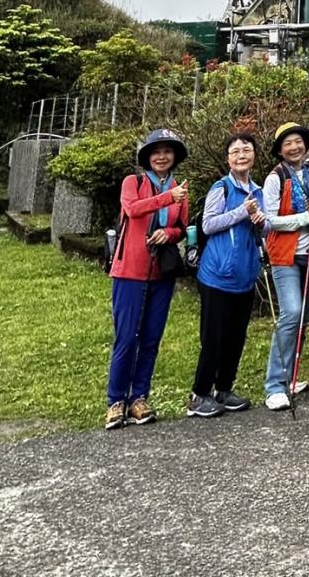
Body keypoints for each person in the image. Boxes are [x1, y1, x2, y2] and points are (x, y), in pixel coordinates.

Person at [105, 127, 189, 430]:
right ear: (147, 157)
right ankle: (116, 401)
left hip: (161, 272)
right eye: (156, 151)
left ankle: (139, 397)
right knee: (127, 337)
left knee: (151, 338)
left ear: (174, 156)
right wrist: (168, 197)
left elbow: (182, 226)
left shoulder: (180, 188)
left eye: (167, 151)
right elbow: (132, 209)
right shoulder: (134, 182)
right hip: (130, 270)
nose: (162, 156)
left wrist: (168, 233)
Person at [187, 131, 268, 419]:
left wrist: (261, 221)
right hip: (217, 275)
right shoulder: (220, 188)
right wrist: (241, 212)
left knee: (236, 336)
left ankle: (224, 389)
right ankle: (199, 395)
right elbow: (208, 225)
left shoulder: (258, 191)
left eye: (247, 149)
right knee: (214, 337)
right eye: (235, 151)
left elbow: (264, 230)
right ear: (228, 159)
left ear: (254, 155)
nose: (242, 154)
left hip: (245, 276)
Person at [261, 123, 309, 410]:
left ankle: (290, 375)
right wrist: (305, 217)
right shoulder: (275, 178)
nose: (294, 147)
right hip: (285, 256)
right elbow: (269, 220)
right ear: (280, 150)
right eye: (287, 144)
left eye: (298, 142)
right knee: (291, 314)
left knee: (302, 319)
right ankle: (274, 385)